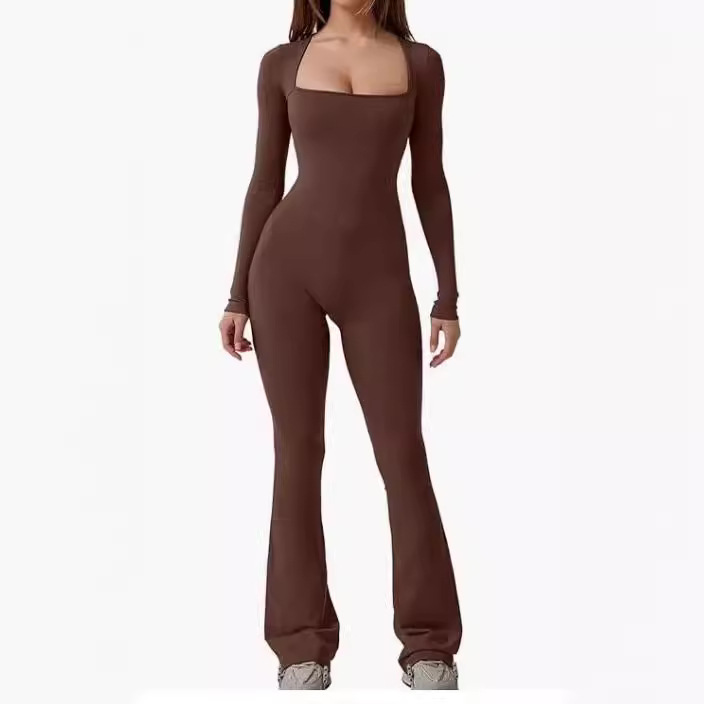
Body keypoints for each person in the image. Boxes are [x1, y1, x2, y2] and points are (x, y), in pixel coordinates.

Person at [219, 0, 462, 690]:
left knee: (402, 454)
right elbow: (265, 181)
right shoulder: (282, 64)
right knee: (298, 454)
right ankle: (300, 646)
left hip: (378, 280)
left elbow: (430, 180)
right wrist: (236, 295)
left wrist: (447, 295)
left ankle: (429, 646)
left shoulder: (420, 64)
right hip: (284, 272)